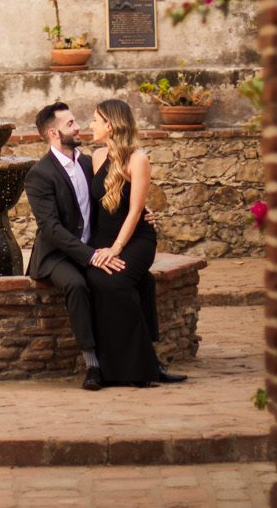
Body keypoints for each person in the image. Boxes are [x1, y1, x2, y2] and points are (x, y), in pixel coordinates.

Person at [24, 101, 112, 391]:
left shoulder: (89, 163)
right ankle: (93, 365)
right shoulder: (40, 173)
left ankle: (138, 357)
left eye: (75, 121)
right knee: (76, 285)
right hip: (56, 256)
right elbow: (50, 228)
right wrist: (90, 257)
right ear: (53, 133)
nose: (78, 126)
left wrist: (141, 212)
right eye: (70, 123)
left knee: (122, 279)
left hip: (91, 247)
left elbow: (111, 200)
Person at [85, 97, 172, 387]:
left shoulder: (138, 159)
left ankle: (139, 366)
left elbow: (135, 210)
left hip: (135, 240)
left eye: (95, 120)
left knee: (116, 282)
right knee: (100, 280)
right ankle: (139, 363)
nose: (91, 125)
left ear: (109, 125)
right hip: (104, 239)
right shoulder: (97, 157)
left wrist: (116, 249)